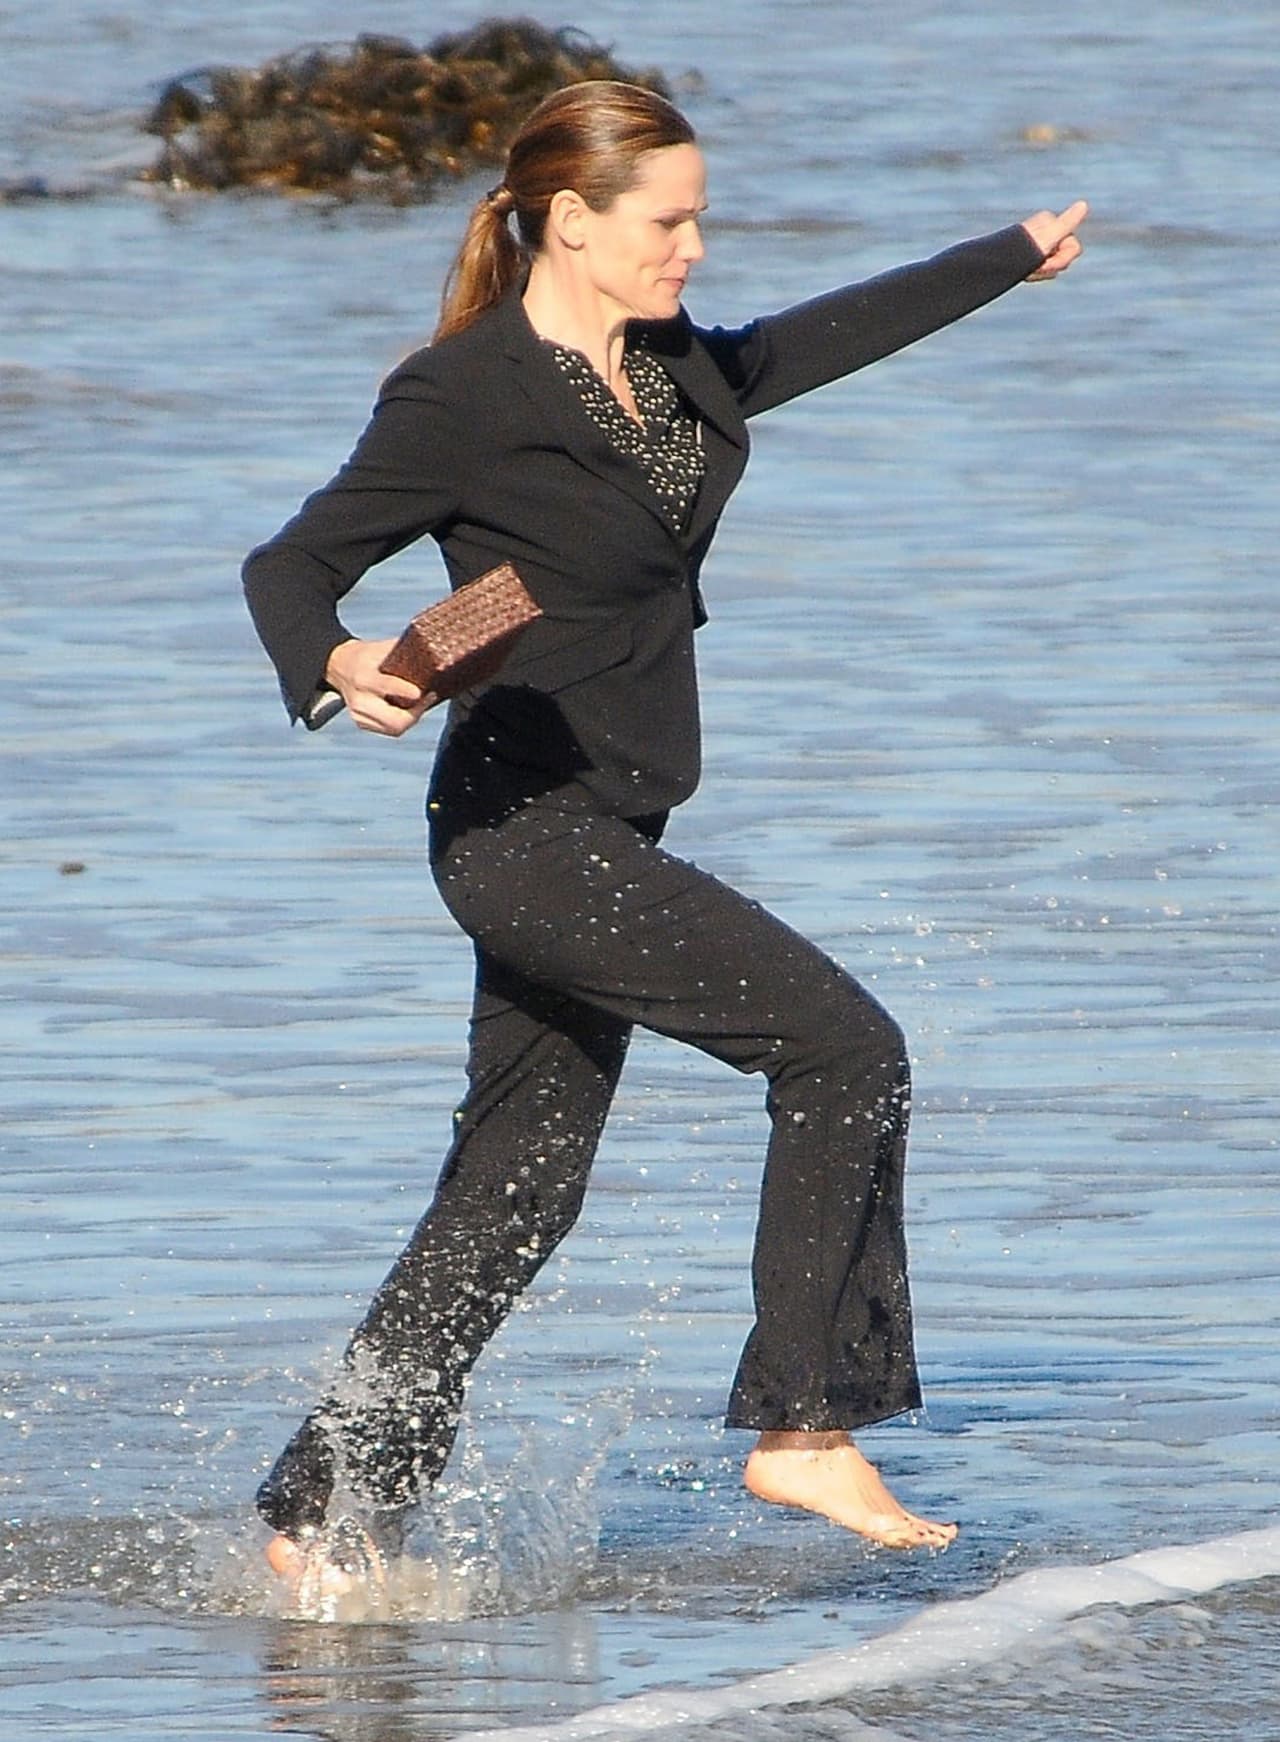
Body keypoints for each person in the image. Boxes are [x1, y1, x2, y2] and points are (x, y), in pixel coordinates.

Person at [243, 79, 1086, 1593]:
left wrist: (1005, 255)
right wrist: (341, 662)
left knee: (517, 1191)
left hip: (616, 816)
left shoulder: (675, 365)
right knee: (846, 1049)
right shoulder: (463, 395)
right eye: (670, 221)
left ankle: (323, 1519)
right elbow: (292, 560)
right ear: (572, 220)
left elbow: (818, 338)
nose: (694, 247)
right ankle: (805, 1421)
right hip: (524, 830)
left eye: (700, 219)